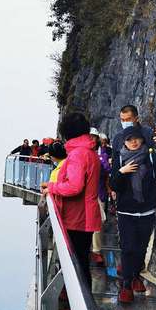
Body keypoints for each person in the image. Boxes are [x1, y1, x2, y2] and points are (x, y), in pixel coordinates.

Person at [109, 124, 156, 303]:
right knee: (128, 247)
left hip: (146, 211)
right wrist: (122, 172)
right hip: (126, 211)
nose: (133, 142)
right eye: (129, 139)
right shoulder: (120, 157)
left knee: (141, 248)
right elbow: (114, 184)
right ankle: (126, 284)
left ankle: (136, 275)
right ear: (124, 141)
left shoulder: (150, 157)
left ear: (142, 139)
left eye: (136, 138)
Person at [40, 113, 101, 290]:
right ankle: (80, 307)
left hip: (77, 219)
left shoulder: (77, 154)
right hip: (86, 216)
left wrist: (52, 188)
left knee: (77, 267)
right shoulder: (89, 151)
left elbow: (74, 186)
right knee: (81, 263)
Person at [89, 128, 110, 266]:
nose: (92, 139)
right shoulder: (80, 152)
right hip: (84, 193)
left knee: (98, 223)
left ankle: (96, 251)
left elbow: (106, 170)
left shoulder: (102, 154)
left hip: (98, 192)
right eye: (89, 137)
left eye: (94, 137)